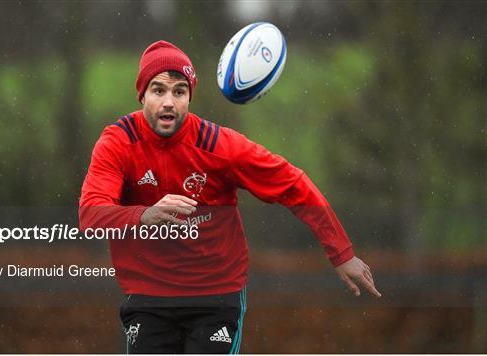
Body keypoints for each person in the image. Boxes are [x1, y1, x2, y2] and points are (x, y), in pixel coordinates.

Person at [79, 40, 381, 354]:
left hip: (214, 295)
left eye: (179, 92)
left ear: (189, 97)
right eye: (158, 91)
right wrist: (144, 214)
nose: (168, 102)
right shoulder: (118, 142)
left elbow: (293, 183)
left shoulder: (218, 146)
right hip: (148, 296)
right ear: (142, 94)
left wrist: (341, 253)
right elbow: (91, 216)